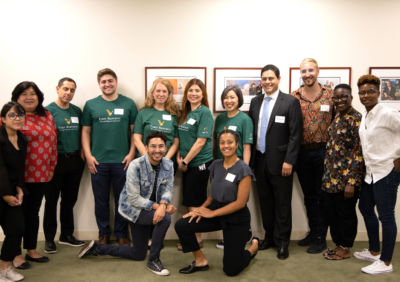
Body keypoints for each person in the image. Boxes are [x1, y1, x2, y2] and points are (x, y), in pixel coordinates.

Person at [78, 131, 176, 276]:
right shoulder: (135, 165)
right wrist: (160, 208)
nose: (157, 150)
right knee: (165, 218)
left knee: (138, 254)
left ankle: (97, 248)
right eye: (153, 146)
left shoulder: (168, 164)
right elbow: (134, 198)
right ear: (146, 147)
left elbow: (168, 189)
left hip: (150, 209)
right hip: (133, 210)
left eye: (161, 146)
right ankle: (154, 260)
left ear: (166, 148)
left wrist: (163, 204)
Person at [175, 129, 259, 276]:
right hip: (216, 210)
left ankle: (252, 248)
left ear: (237, 144)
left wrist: (212, 213)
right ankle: (200, 260)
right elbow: (212, 195)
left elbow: (240, 203)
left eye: (230, 142)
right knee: (182, 225)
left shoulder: (243, 169)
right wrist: (200, 209)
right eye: (222, 143)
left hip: (236, 216)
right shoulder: (215, 165)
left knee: (231, 269)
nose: (226, 146)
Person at [248, 64, 302, 259]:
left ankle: (282, 242)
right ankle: (269, 237)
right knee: (265, 203)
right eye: (264, 79)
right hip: (259, 161)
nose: (268, 82)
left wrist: (289, 161)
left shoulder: (290, 102)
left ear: (278, 79)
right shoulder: (255, 102)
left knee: (282, 204)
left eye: (271, 78)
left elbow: (296, 135)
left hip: (282, 163)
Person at [82, 68, 138, 245]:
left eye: (110, 81)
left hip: (123, 161)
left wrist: (131, 154)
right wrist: (88, 156)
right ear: (99, 84)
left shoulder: (128, 104)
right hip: (98, 161)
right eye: (104, 81)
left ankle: (122, 234)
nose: (107, 84)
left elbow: (134, 132)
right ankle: (104, 233)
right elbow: (85, 132)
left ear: (116, 82)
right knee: (101, 201)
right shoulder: (91, 105)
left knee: (123, 199)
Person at [353, 74, 400, 275]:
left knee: (386, 216)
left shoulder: (387, 113)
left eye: (370, 91)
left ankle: (386, 262)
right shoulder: (366, 114)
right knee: (364, 206)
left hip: (386, 171)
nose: (366, 95)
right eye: (362, 92)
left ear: (378, 92)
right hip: (371, 172)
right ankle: (374, 250)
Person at [11, 81, 57, 268]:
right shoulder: (11, 115)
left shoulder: (46, 115)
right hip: (18, 176)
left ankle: (30, 249)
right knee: (16, 217)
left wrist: (52, 166)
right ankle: (14, 254)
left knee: (33, 213)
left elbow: (53, 141)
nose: (29, 97)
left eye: (33, 93)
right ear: (16, 97)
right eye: (24, 94)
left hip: (41, 174)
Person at [291, 58, 334, 253]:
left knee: (321, 196)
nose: (307, 74)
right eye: (303, 71)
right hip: (302, 153)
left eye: (310, 70)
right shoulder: (295, 97)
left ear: (318, 71)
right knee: (309, 196)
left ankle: (320, 237)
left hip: (323, 152)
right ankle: (313, 232)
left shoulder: (330, 95)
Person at [321, 84, 364, 260]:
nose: (339, 100)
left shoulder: (357, 119)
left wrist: (351, 182)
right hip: (331, 178)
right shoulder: (338, 117)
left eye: (343, 96)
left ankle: (346, 248)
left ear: (351, 97)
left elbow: (359, 152)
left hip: (346, 180)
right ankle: (339, 245)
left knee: (346, 215)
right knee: (333, 215)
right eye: (336, 97)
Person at [43, 77, 85, 254]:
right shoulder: (47, 112)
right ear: (57, 89)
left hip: (75, 160)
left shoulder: (77, 111)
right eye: (65, 89)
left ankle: (66, 235)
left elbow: (83, 134)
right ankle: (49, 239)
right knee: (51, 201)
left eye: (72, 90)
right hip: (54, 161)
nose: (69, 93)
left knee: (69, 200)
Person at [213, 85, 253, 249]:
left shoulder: (245, 119)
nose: (229, 101)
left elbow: (246, 147)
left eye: (233, 97)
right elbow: (217, 145)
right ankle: (226, 237)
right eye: (226, 98)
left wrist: (244, 172)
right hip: (222, 167)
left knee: (238, 202)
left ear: (239, 99)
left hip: (237, 168)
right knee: (223, 201)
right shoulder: (220, 119)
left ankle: (245, 234)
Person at [176, 78, 214, 249]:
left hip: (199, 164)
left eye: (197, 90)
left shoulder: (204, 112)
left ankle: (197, 239)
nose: (193, 93)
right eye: (190, 90)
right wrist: (179, 157)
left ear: (203, 94)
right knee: (190, 201)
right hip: (186, 164)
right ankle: (193, 237)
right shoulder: (185, 113)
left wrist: (185, 160)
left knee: (196, 202)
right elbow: (180, 138)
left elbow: (200, 141)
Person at [0, 102, 27, 282]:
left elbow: (19, 168)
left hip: (11, 188)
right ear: (2, 119)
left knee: (17, 229)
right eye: (12, 115)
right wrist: (5, 195)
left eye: (20, 114)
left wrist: (19, 188)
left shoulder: (22, 138)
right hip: (1, 189)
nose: (17, 118)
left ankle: (4, 269)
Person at [134, 78, 180, 159]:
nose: (161, 94)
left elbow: (176, 143)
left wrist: (165, 160)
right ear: (152, 93)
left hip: (167, 162)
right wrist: (148, 158)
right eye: (158, 91)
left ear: (169, 94)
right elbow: (136, 138)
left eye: (164, 91)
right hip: (145, 160)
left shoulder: (174, 115)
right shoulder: (143, 113)